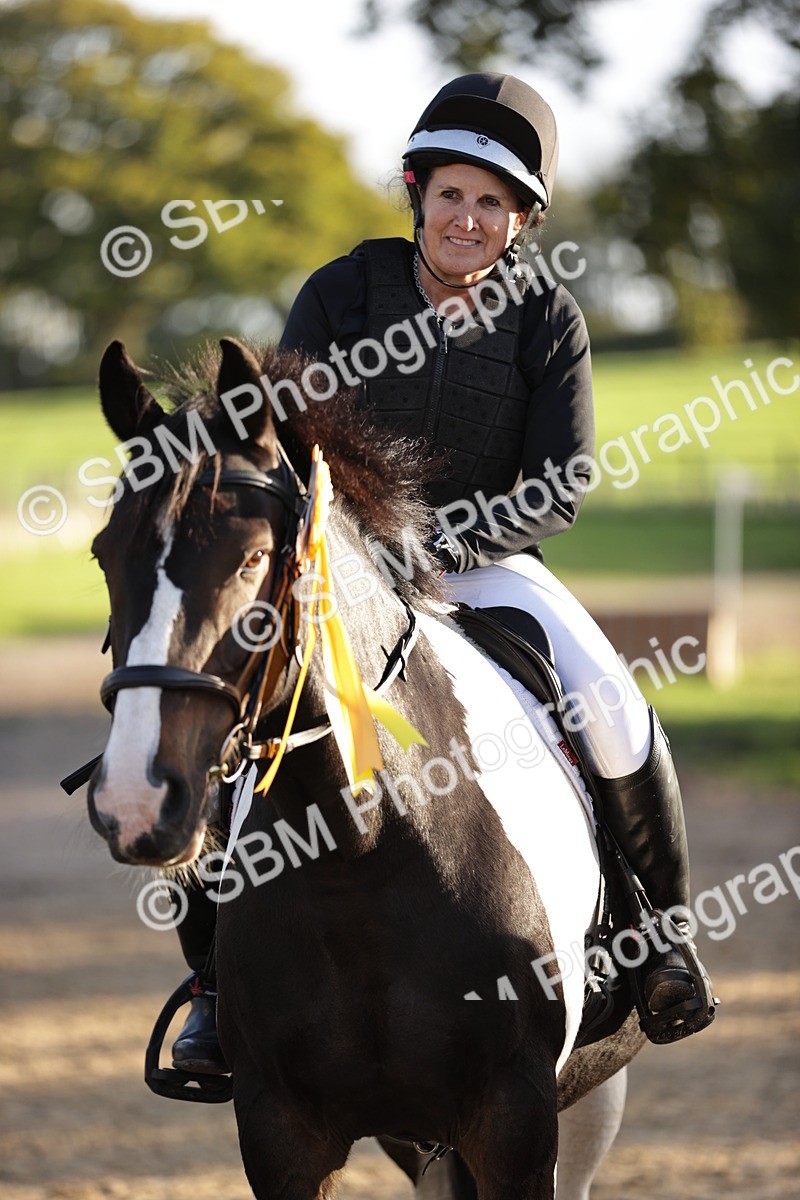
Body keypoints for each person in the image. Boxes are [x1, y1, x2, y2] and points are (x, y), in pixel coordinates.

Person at [171, 72, 714, 1072]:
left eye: (492, 201)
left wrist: (445, 546)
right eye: (451, 193)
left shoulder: (548, 318)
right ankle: (212, 985)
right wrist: (353, 549)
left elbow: (558, 486)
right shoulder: (341, 292)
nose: (467, 218)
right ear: (416, 193)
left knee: (612, 704)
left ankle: (661, 940)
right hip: (342, 569)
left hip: (485, 569)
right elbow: (288, 440)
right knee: (232, 723)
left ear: (522, 220)